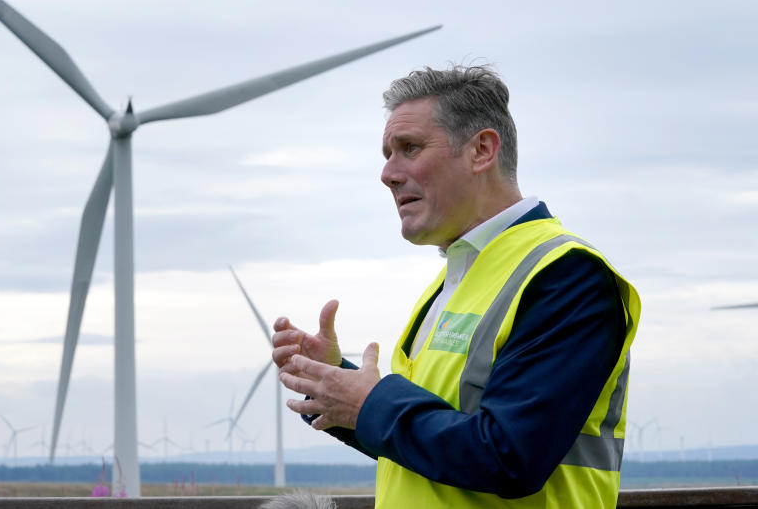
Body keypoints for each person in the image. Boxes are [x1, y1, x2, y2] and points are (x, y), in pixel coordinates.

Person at [272, 65, 640, 508]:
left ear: (482, 150)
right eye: (387, 153)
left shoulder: (565, 276)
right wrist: (337, 383)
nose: (387, 173)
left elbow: (509, 455)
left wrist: (370, 404)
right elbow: (432, 445)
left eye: (409, 148)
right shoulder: (453, 280)